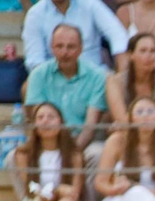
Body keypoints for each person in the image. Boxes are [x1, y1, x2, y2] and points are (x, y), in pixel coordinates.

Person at [24, 25, 108, 166]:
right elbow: (38, 120)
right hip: (48, 140)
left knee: (97, 155)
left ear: (81, 48)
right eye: (59, 46)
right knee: (13, 158)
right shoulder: (39, 74)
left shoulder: (97, 76)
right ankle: (32, 189)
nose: (65, 52)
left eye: (71, 47)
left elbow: (90, 127)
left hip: (83, 140)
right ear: (51, 47)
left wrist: (71, 153)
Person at [21, 0, 129, 72]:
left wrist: (121, 70)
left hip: (94, 76)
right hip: (54, 78)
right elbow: (34, 60)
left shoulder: (90, 2)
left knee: (113, 83)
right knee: (27, 86)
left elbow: (118, 35)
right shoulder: (35, 14)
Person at [95, 95, 155, 201]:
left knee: (139, 195)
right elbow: (100, 182)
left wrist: (134, 187)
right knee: (137, 195)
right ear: (131, 118)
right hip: (120, 200)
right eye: (139, 112)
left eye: (150, 111)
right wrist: (116, 189)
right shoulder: (116, 141)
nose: (145, 116)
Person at [11, 101, 85, 201]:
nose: (45, 121)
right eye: (40, 118)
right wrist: (58, 191)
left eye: (51, 117)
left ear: (60, 122)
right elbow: (32, 190)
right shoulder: (23, 155)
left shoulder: (74, 155)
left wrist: (58, 194)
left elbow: (73, 193)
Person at [106, 32, 155, 126]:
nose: (149, 55)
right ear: (131, 54)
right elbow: (120, 118)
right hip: (126, 133)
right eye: (143, 51)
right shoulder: (114, 82)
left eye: (153, 51)